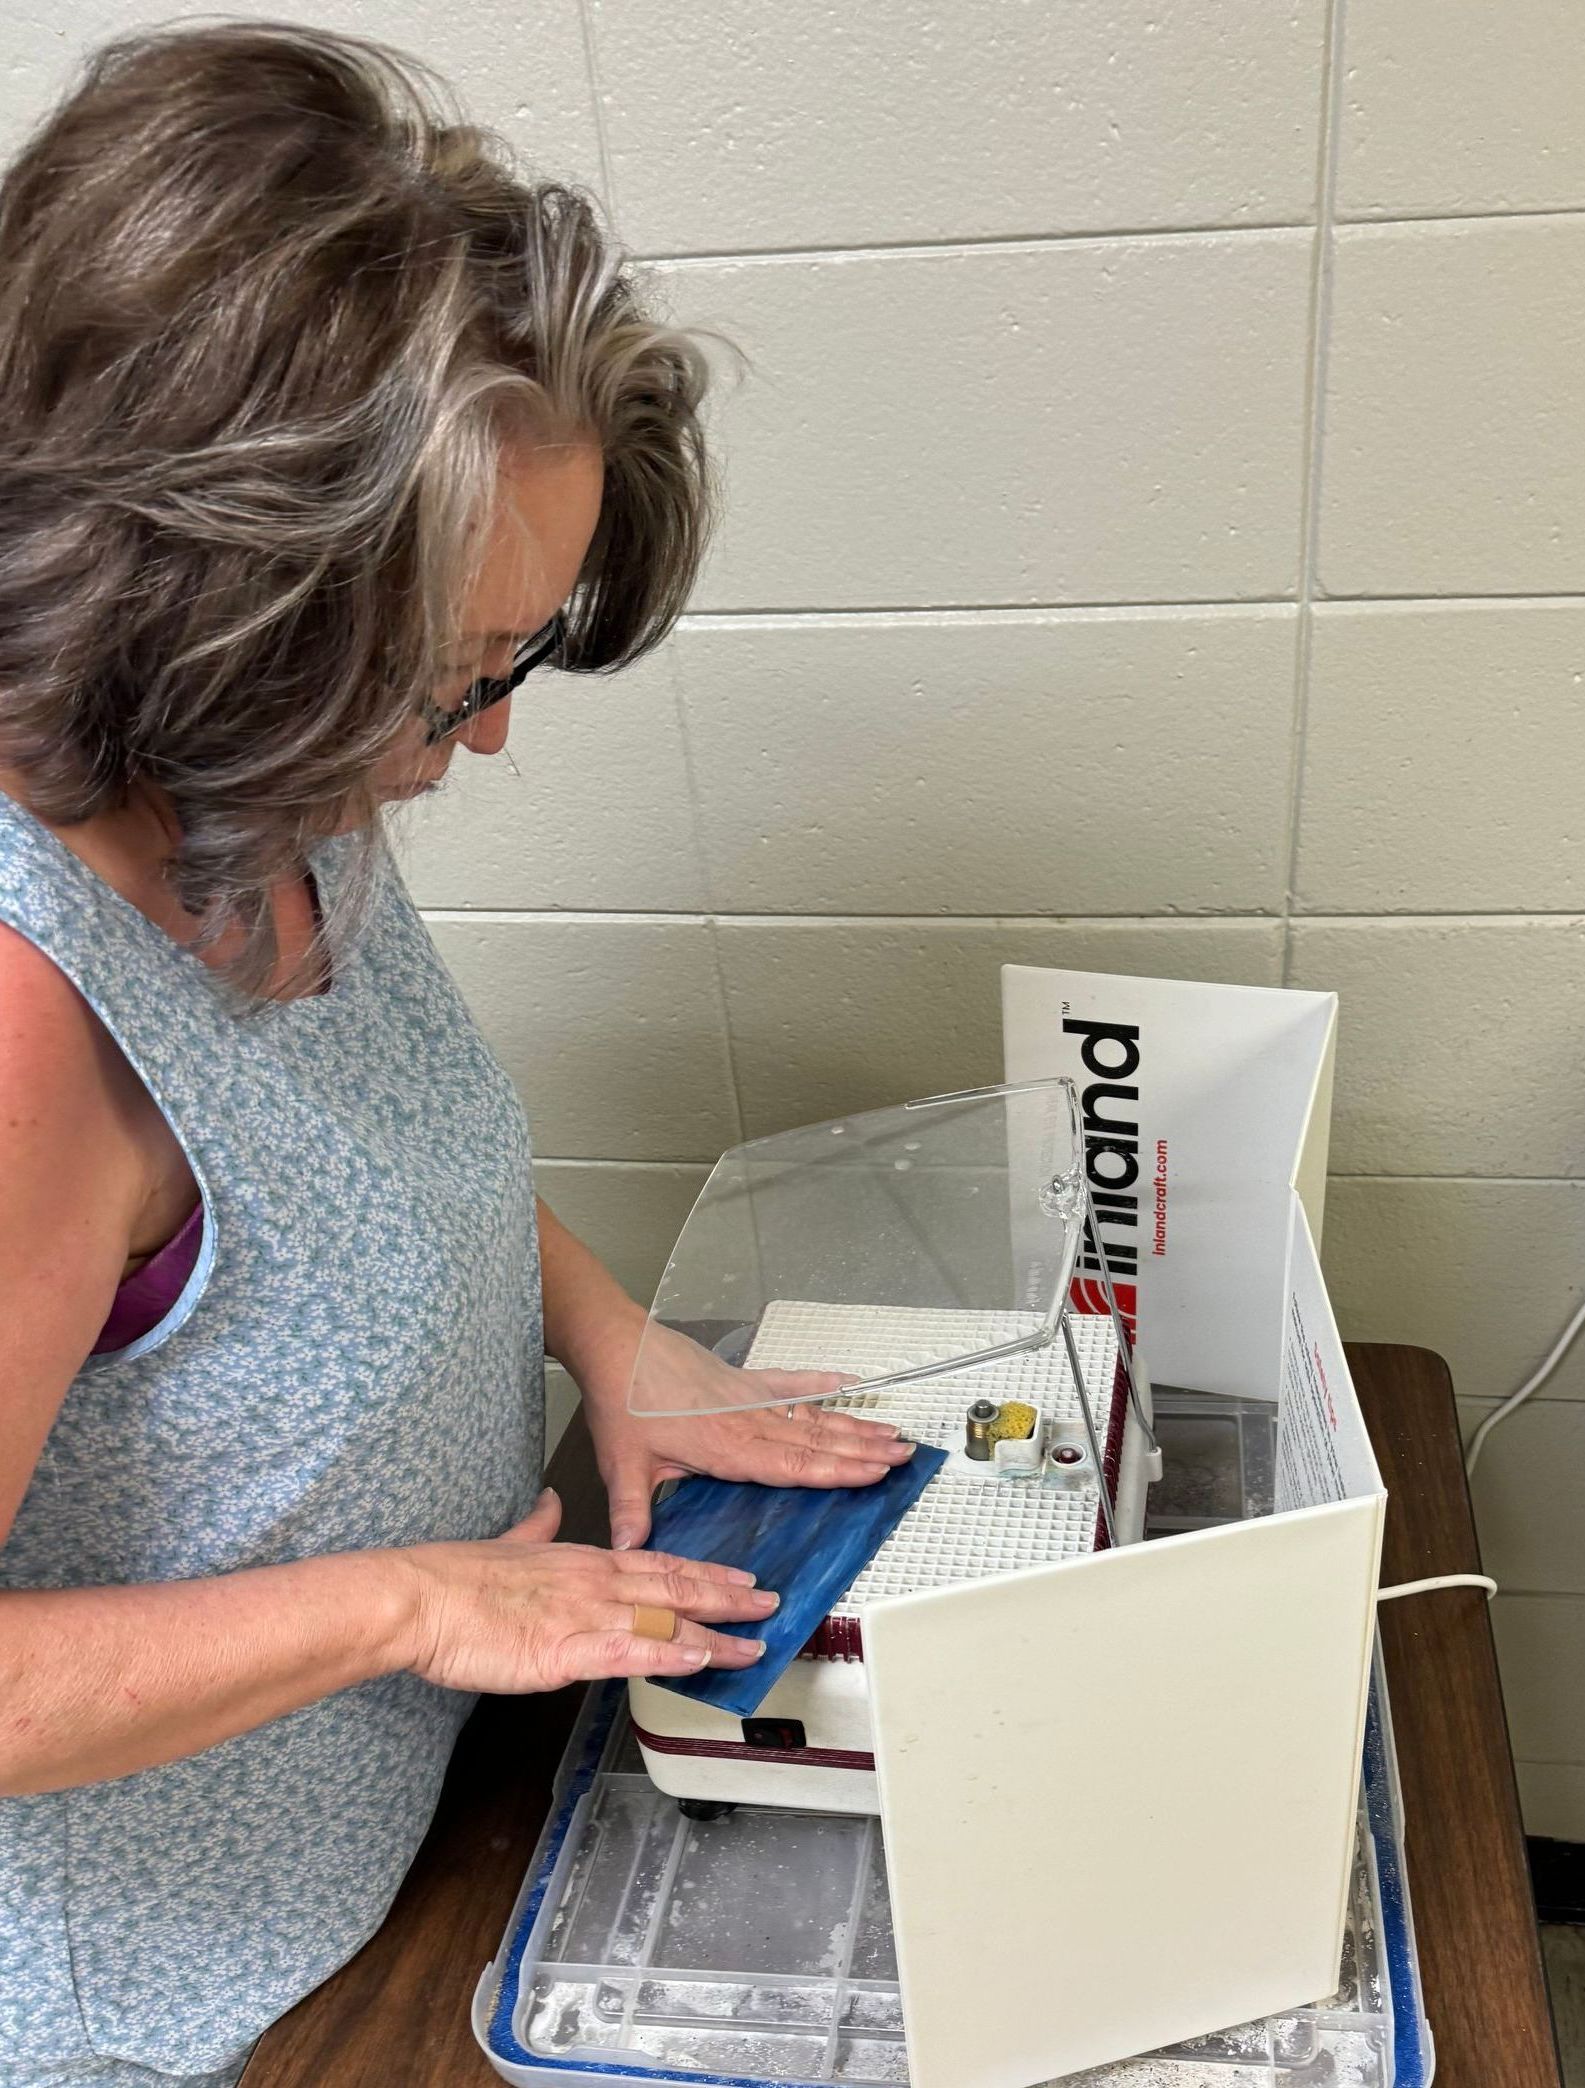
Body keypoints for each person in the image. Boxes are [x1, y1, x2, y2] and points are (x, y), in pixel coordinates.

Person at [0, 25, 911, 2085]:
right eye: (444, 677)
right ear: (201, 614)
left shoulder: (278, 781)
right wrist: (399, 1608)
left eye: (511, 665)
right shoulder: (27, 1013)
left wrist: (612, 1343)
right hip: (192, 2000)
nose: (476, 742)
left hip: (422, 1801)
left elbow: (360, 1145)